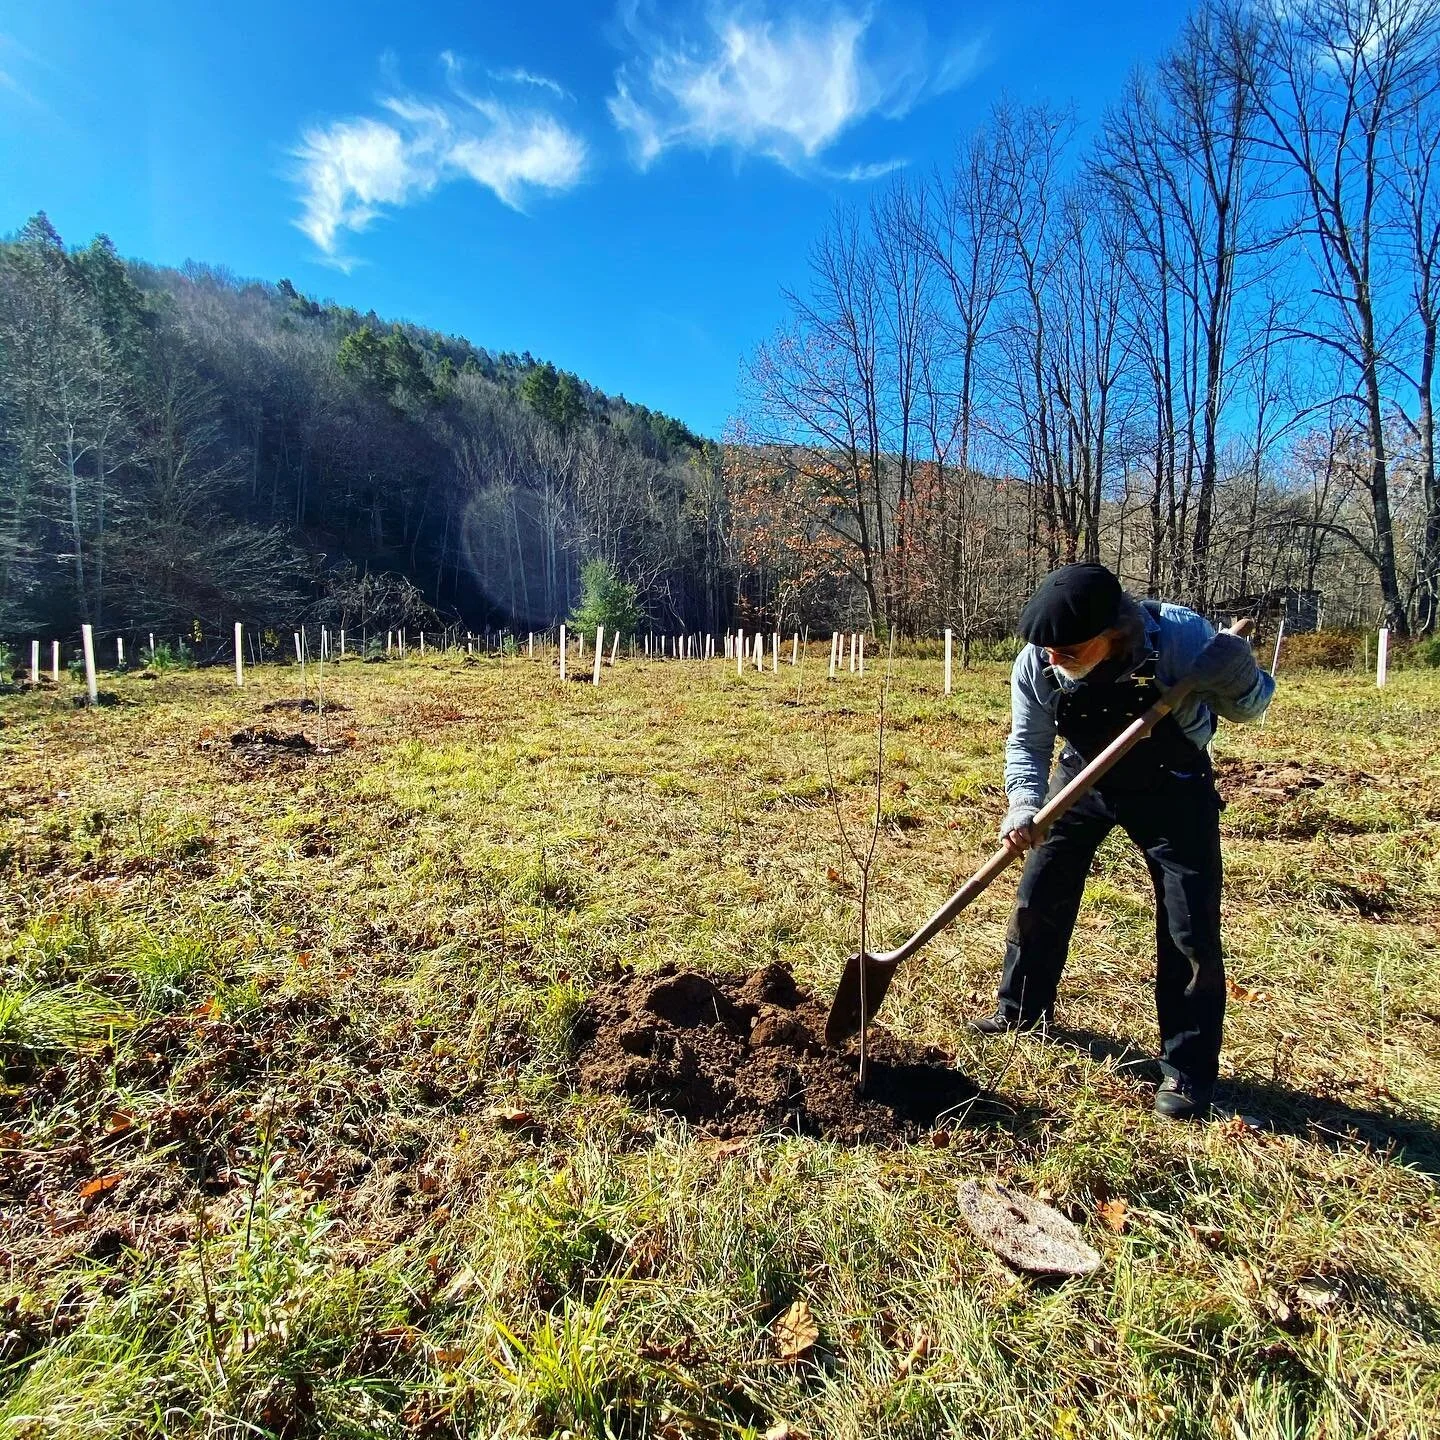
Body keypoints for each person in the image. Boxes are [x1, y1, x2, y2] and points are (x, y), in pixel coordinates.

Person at [972, 562, 1275, 1120]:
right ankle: (1020, 1010)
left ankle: (1186, 1068)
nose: (1053, 659)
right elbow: (1028, 741)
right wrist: (1023, 805)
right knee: (1040, 892)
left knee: (1189, 924)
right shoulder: (1038, 662)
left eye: (1069, 649)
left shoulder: (1182, 638)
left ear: (1114, 632)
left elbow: (1251, 706)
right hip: (1082, 776)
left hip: (1173, 782)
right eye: (1047, 649)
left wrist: (1235, 675)